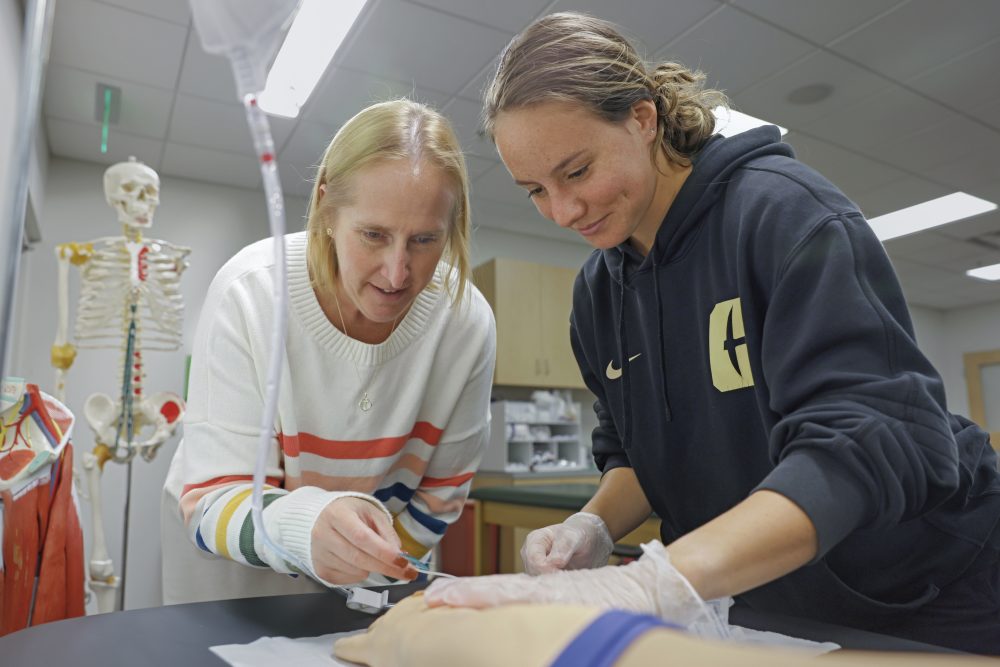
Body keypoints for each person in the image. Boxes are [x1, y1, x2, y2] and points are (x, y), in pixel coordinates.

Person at [418, 12, 1000, 654]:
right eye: (535, 190)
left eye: (577, 171)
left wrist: (652, 584)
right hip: (767, 599)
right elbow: (638, 455)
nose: (563, 211)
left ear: (642, 121)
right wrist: (592, 525)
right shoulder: (596, 297)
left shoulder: (782, 213)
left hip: (927, 588)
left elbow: (870, 439)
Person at [161, 99, 496, 603]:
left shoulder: (465, 321)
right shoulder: (252, 293)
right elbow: (211, 498)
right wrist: (306, 526)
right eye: (373, 235)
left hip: (366, 584)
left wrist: (367, 568)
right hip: (235, 578)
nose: (396, 272)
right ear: (326, 209)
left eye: (425, 240)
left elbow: (438, 496)